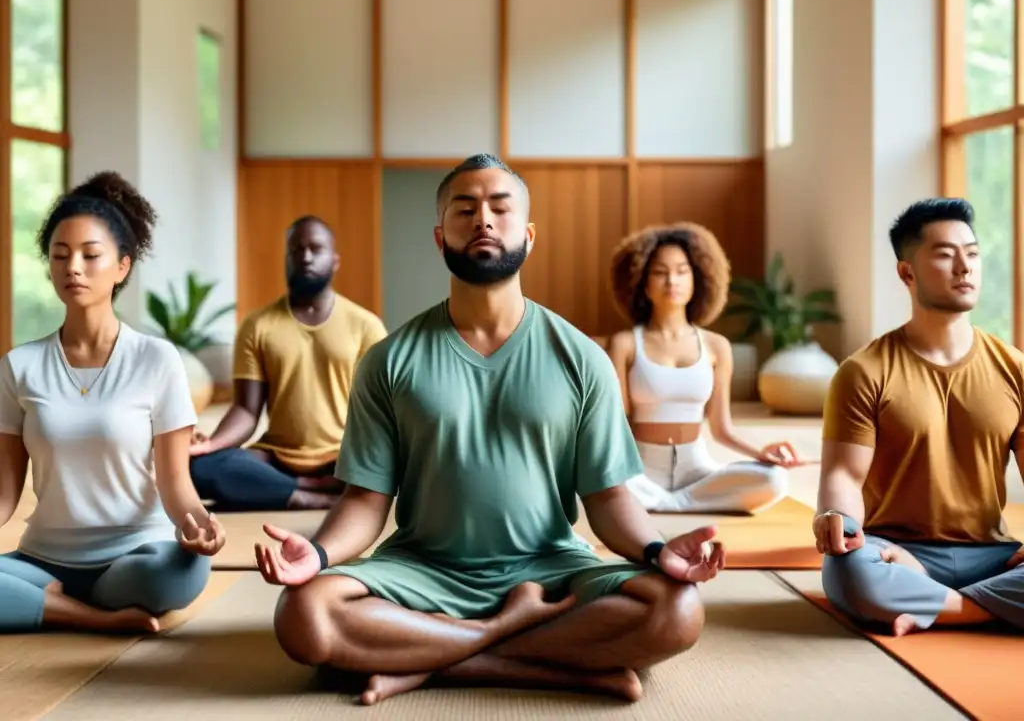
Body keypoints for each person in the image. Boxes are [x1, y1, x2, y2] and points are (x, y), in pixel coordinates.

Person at [254, 154, 727, 705]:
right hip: (423, 568)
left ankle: (431, 659)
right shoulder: (388, 360)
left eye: (500, 209)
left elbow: (609, 499)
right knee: (304, 613)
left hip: (550, 568)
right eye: (465, 209)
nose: (483, 220)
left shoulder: (582, 358)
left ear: (527, 234)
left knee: (679, 609)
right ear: (439, 236)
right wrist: (317, 556)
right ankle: (530, 654)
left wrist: (656, 551)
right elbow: (364, 502)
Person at [0, 171, 225, 635]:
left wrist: (201, 525)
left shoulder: (156, 358)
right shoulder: (18, 366)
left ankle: (46, 608)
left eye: (90, 255)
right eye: (60, 256)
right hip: (42, 559)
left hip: (136, 557)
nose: (73, 268)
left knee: (178, 571)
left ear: (122, 266)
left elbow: (174, 482)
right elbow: (4, 494)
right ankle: (95, 616)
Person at [816, 197, 1024, 637]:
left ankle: (940, 606)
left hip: (992, 555)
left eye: (972, 254)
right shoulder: (863, 371)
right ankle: (986, 605)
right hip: (894, 552)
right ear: (906, 273)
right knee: (848, 572)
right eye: (946, 255)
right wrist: (838, 518)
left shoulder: (1014, 368)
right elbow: (843, 477)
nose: (965, 268)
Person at [189, 216, 387, 511]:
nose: (305, 257)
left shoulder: (366, 326)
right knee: (200, 467)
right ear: (286, 259)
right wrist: (213, 444)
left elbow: (381, 410)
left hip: (342, 459)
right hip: (276, 459)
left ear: (334, 261)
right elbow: (245, 409)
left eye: (315, 249)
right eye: (297, 249)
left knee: (400, 462)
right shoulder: (257, 325)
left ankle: (277, 492)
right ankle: (307, 493)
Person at [606, 223, 798, 513]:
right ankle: (677, 503)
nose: (672, 280)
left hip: (696, 470)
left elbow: (721, 428)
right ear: (642, 282)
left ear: (698, 279)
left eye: (682, 271)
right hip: (641, 471)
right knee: (591, 484)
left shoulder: (717, 346)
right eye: (660, 272)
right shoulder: (624, 344)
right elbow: (616, 425)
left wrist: (761, 454)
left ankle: (665, 504)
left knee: (775, 480)